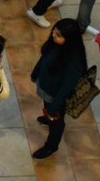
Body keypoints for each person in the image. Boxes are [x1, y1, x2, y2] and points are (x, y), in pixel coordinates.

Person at [29, 19, 88, 159]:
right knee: (49, 108)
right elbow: (44, 58)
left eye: (58, 35)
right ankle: (48, 116)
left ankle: (51, 146)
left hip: (55, 96)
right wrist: (35, 73)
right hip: (47, 89)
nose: (53, 36)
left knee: (57, 122)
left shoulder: (74, 61)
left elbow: (67, 88)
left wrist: (53, 109)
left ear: (70, 39)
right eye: (54, 32)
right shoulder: (55, 44)